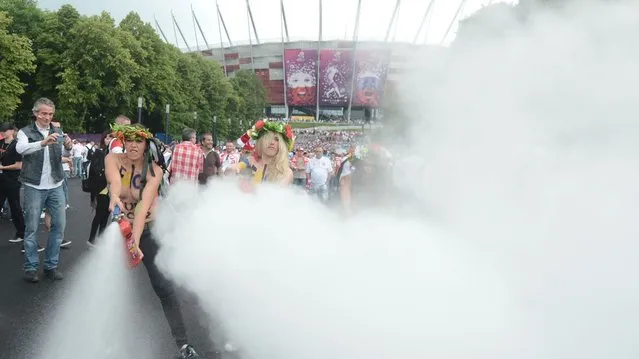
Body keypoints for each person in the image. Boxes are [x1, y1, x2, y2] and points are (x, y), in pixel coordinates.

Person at [105, 123, 200, 359]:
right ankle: (107, 340)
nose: (134, 145)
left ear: (146, 144)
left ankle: (183, 345)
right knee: (113, 284)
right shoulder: (112, 160)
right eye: (129, 140)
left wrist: (134, 241)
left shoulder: (154, 170)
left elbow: (142, 206)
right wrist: (114, 195)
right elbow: (115, 184)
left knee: (163, 288)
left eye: (139, 141)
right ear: (123, 142)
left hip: (145, 231)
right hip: (119, 229)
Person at [16, 98, 73, 283]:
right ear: (36, 113)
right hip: (34, 186)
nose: (47, 117)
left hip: (55, 184)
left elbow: (65, 154)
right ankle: (31, 267)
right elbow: (21, 149)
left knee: (59, 226)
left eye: (50, 114)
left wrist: (68, 146)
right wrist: (42, 143)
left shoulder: (58, 131)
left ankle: (50, 266)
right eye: (43, 113)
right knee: (31, 228)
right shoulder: (25, 132)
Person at [234, 119, 294, 186]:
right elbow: (233, 169)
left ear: (281, 145)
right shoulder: (250, 161)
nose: (272, 142)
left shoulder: (286, 172)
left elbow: (276, 193)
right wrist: (234, 168)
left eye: (277, 140)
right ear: (261, 142)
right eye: (268, 139)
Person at [0, 123, 25, 244]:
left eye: (5, 130)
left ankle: (21, 233)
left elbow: (18, 165)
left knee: (15, 208)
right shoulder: (1, 143)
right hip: (1, 180)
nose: (3, 132)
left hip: (12, 181)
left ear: (11, 131)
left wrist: (3, 167)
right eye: (2, 130)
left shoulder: (16, 146)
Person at [87, 130, 110, 245]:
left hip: (112, 189)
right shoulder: (99, 152)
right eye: (107, 138)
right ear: (103, 139)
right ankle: (91, 239)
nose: (109, 140)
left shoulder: (117, 153)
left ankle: (101, 239)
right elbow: (94, 172)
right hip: (101, 188)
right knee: (99, 214)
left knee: (106, 215)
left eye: (111, 138)